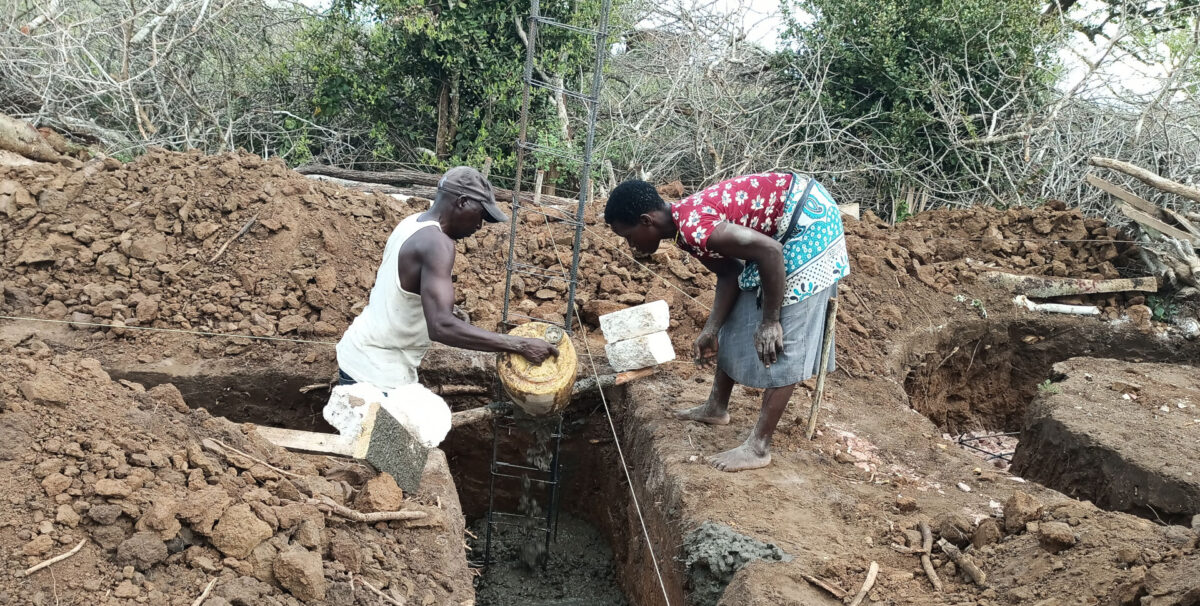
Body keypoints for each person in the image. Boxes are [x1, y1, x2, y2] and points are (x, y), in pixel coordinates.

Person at [604, 173, 849, 472]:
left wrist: (771, 321)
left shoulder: (695, 226)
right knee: (740, 312)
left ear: (646, 220)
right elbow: (731, 275)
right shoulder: (684, 231)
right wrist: (711, 329)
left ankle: (758, 448)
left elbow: (771, 251)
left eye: (628, 237)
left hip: (810, 224)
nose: (631, 246)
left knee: (785, 336)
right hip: (779, 235)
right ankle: (716, 407)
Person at [336, 166, 558, 392]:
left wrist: (443, 311)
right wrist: (519, 345)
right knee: (389, 429)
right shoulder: (438, 244)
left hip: (363, 358)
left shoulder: (413, 223)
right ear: (462, 202)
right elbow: (440, 326)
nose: (480, 225)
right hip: (375, 373)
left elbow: (401, 291)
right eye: (480, 215)